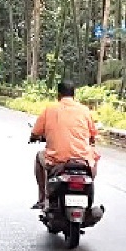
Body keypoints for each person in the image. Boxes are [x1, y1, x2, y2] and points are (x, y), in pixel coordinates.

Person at [29, 80, 99, 209]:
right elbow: (93, 135)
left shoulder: (49, 110)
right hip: (82, 160)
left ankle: (42, 199)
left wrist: (33, 137)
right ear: (74, 95)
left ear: (59, 95)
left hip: (57, 160)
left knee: (39, 157)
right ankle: (88, 191)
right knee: (94, 158)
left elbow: (35, 132)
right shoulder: (84, 110)